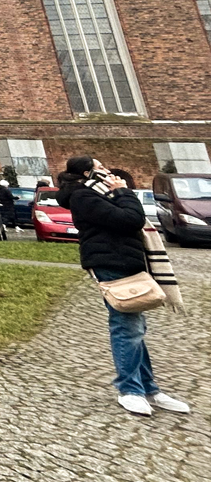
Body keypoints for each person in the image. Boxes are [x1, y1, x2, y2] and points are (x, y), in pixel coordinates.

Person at [56, 155, 191, 417]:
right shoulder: (83, 197)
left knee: (136, 327)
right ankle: (130, 390)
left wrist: (119, 195)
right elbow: (131, 220)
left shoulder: (96, 194)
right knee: (126, 326)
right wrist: (124, 193)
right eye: (100, 167)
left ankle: (149, 388)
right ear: (86, 174)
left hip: (126, 261)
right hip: (110, 261)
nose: (107, 171)